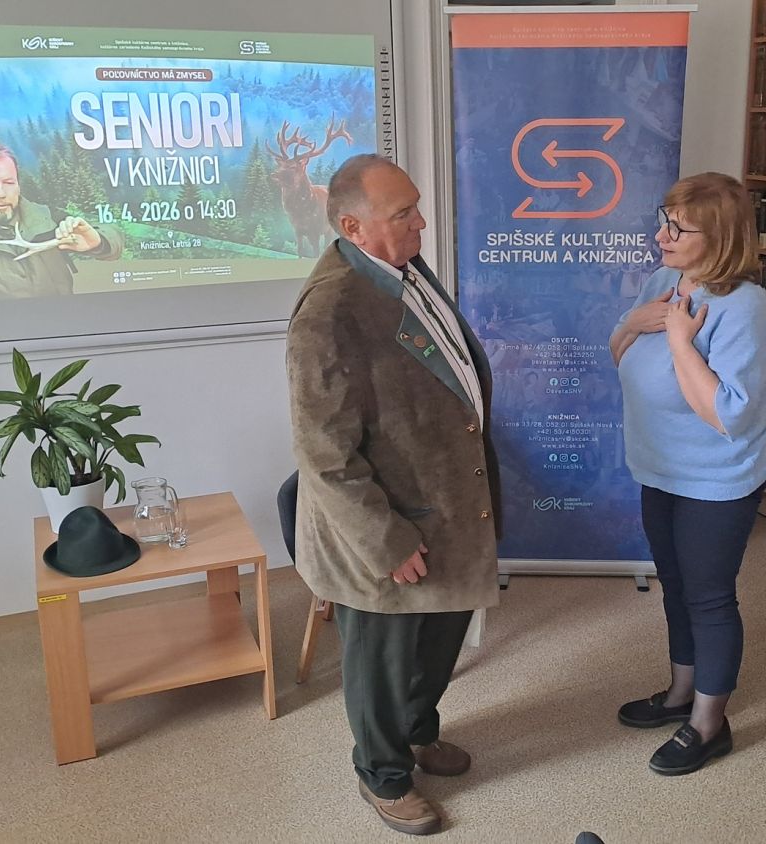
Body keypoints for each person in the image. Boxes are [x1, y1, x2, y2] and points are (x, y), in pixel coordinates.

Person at [285, 154, 501, 836]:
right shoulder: (330, 312)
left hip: (443, 506)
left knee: (438, 636)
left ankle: (417, 731)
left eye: (415, 206)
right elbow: (324, 453)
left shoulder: (401, 267)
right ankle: (383, 774)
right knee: (381, 661)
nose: (421, 222)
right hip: (386, 526)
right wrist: (386, 541)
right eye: (403, 213)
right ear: (352, 226)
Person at [608, 172, 766, 776]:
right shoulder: (663, 281)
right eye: (665, 221)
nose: (661, 235)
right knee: (675, 584)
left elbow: (727, 415)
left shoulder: (745, 307)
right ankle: (681, 692)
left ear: (721, 237)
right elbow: (620, 354)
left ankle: (710, 725)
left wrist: (681, 340)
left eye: (678, 228)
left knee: (708, 596)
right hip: (660, 467)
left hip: (717, 477)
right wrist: (636, 324)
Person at [0, 143, 124, 303]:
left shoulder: (46, 217)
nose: (1, 193)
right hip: (5, 332)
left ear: (18, 184)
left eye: (9, 182)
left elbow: (113, 235)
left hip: (64, 324)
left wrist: (98, 241)